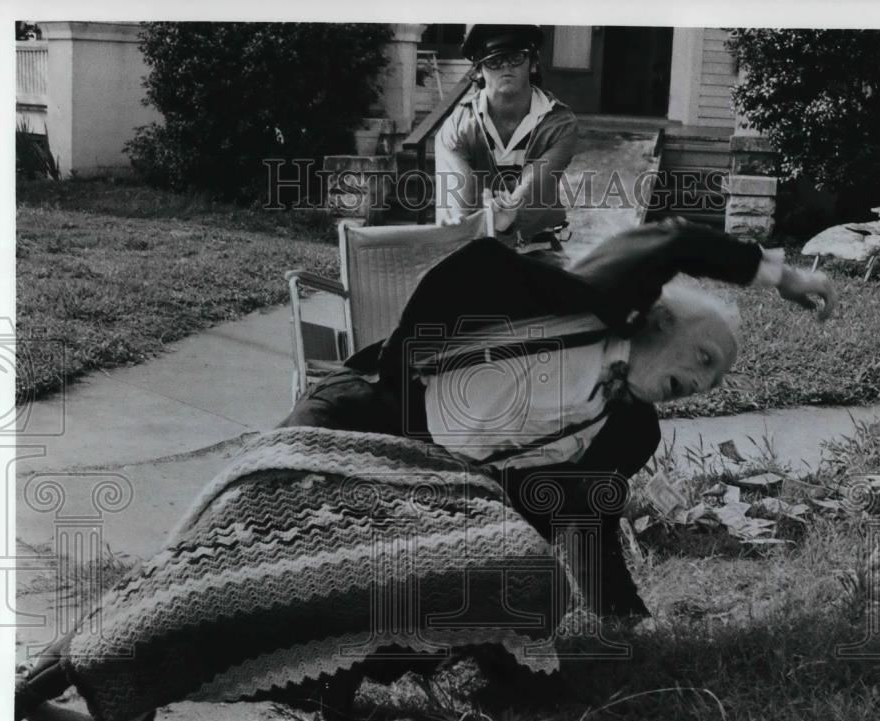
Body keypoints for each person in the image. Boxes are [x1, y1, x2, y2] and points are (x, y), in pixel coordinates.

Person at [283, 219, 837, 617]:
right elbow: (671, 241)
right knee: (270, 538)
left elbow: (588, 510)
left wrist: (620, 614)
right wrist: (780, 275)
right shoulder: (594, 306)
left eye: (711, 384)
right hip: (366, 416)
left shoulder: (630, 428)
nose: (700, 383)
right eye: (704, 358)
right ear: (660, 321)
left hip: (434, 497)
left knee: (530, 603)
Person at [435, 24, 578, 252]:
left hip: (538, 244)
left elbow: (535, 185)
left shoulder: (559, 124)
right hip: (477, 242)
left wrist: (509, 218)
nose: (505, 66)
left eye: (515, 58)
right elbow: (457, 201)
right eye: (494, 61)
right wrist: (466, 226)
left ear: (533, 64)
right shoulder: (457, 128)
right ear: (479, 70)